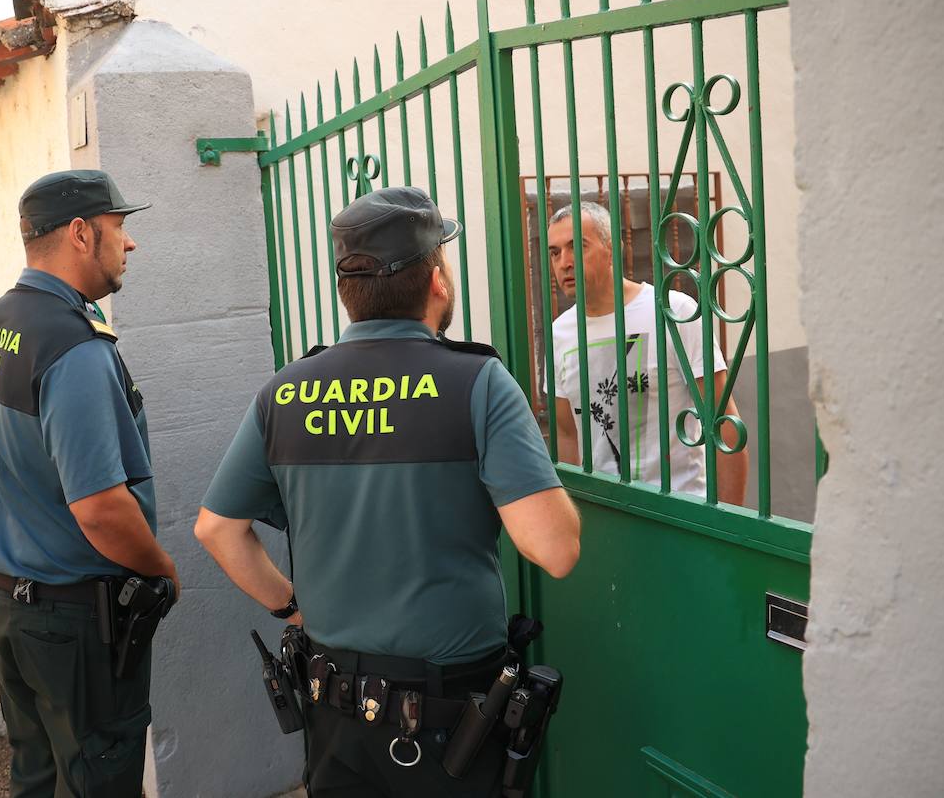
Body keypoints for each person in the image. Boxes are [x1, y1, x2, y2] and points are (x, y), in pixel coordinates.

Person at [196, 186, 582, 797]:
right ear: (436, 281)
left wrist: (288, 607)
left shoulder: (286, 392)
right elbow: (555, 549)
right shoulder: (476, 382)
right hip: (447, 720)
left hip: (333, 710)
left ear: (349, 293)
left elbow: (216, 530)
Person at [0, 169, 178, 797]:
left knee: (38, 777)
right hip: (71, 621)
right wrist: (161, 571)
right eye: (119, 227)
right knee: (99, 778)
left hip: (3, 608)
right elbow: (101, 508)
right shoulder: (74, 345)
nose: (128, 243)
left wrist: (28, 521)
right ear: (81, 232)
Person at [546, 201, 748, 504]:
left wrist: (729, 533)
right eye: (555, 252)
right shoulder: (559, 333)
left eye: (578, 247)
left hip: (680, 511)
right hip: (608, 516)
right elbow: (567, 435)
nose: (565, 262)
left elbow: (723, 424)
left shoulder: (674, 312)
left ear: (611, 248)